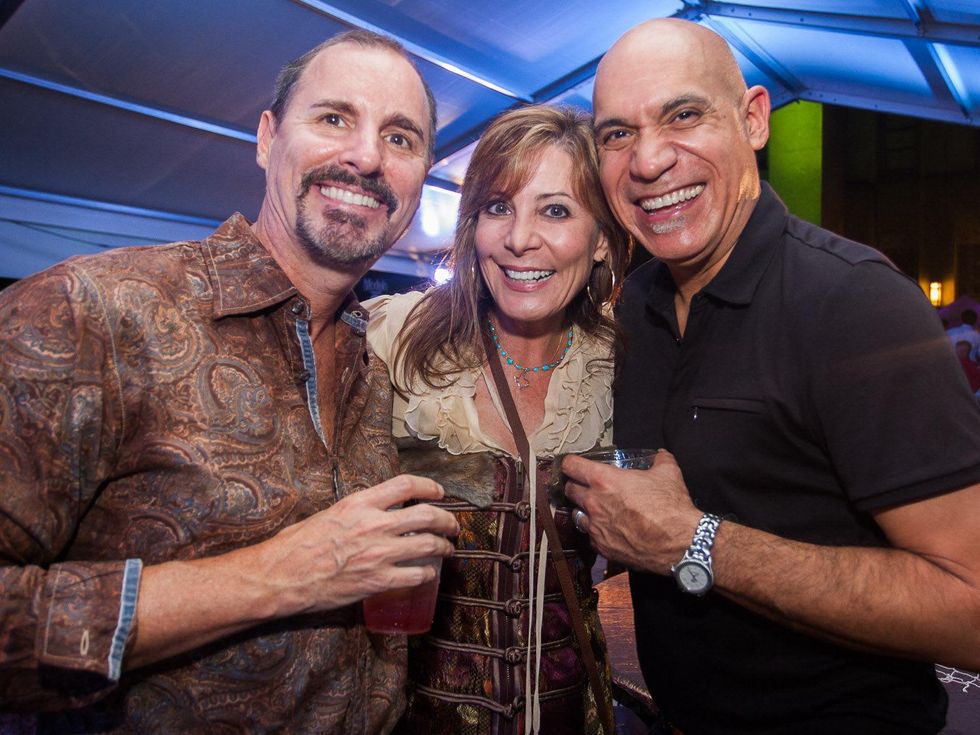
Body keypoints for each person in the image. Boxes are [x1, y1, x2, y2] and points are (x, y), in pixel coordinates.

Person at [0, 30, 460, 734]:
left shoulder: (373, 362)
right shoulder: (92, 309)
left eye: (400, 138)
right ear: (267, 137)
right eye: (333, 118)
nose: (367, 156)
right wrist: (278, 574)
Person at [561, 17, 980, 735]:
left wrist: (694, 540)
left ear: (754, 118)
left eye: (684, 114)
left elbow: (971, 609)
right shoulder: (635, 304)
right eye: (617, 134)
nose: (650, 160)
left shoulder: (855, 302)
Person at [365, 104, 629, 735]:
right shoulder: (393, 338)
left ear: (600, 239)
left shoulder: (627, 364)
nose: (519, 239)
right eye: (499, 206)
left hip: (576, 712)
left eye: (556, 210)